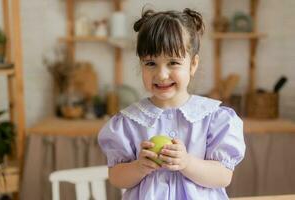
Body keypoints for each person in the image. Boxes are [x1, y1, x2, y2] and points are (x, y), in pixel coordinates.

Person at [98, 8, 246, 200]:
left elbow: (223, 176)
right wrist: (138, 167)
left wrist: (187, 163)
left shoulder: (213, 118)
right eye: (150, 63)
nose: (161, 74)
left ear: (193, 64)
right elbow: (116, 177)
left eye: (173, 62)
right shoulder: (129, 121)